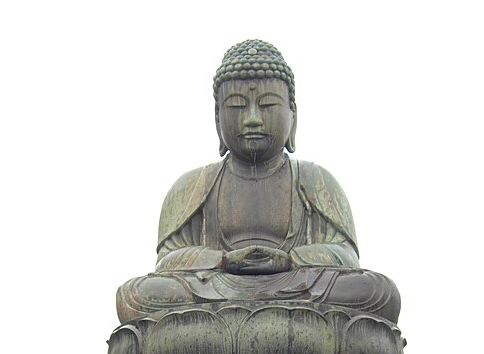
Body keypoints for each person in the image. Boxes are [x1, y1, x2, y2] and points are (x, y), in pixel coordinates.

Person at [116, 40, 400, 325]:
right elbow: (168, 262)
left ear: (293, 116)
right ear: (217, 118)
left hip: (296, 287)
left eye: (267, 105)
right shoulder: (192, 185)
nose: (252, 119)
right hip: (217, 291)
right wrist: (223, 261)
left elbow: (345, 255)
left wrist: (291, 260)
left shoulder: (316, 181)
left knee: (377, 291)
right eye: (238, 106)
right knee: (136, 296)